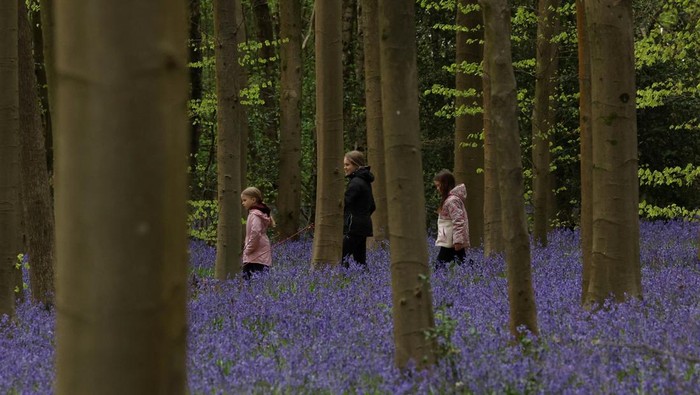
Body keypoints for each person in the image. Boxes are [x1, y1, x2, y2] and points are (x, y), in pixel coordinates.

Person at [342, 150, 376, 266]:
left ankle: (343, 280)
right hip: (364, 226)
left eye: (347, 165)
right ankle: (364, 282)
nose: (345, 168)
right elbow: (372, 206)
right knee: (360, 261)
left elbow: (345, 204)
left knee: (341, 256)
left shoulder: (355, 183)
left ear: (356, 165)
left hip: (353, 227)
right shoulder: (365, 182)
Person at [433, 169, 470, 269]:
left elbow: (458, 220)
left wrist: (458, 241)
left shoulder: (451, 201)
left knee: (439, 266)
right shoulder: (450, 200)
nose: (437, 188)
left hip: (451, 241)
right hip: (450, 239)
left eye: (438, 185)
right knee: (463, 262)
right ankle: (479, 277)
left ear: (445, 185)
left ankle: (480, 277)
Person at [241, 187, 274, 280]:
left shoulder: (255, 215)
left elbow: (255, 234)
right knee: (259, 283)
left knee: (250, 283)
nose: (242, 203)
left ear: (253, 200)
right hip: (260, 255)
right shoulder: (259, 213)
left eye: (244, 200)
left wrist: (248, 250)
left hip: (255, 256)